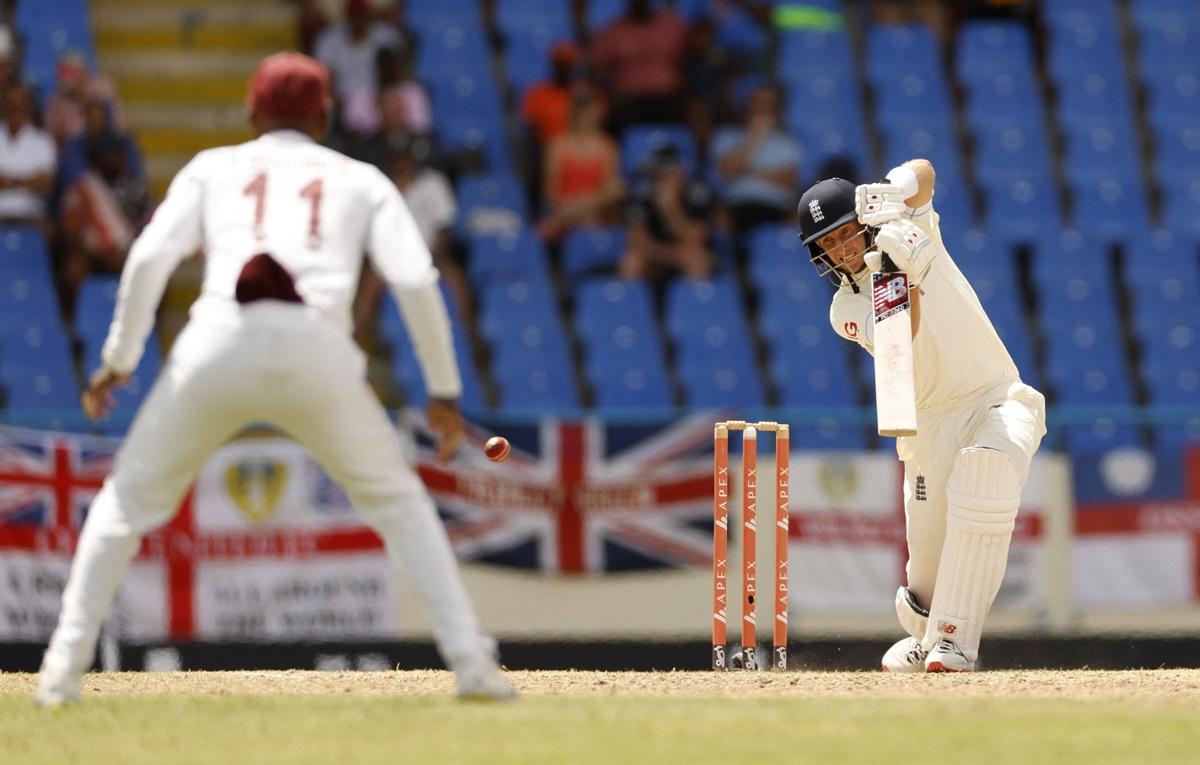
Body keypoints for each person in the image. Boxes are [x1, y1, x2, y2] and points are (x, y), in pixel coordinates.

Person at [35, 52, 514, 706]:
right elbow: (415, 279)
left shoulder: (213, 167)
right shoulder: (361, 177)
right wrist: (443, 390)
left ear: (251, 112)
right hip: (317, 345)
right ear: (324, 115)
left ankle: (61, 674)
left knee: (123, 506)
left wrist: (119, 357)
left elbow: (149, 256)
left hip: (219, 340)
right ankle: (473, 663)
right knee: (400, 505)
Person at [797, 159, 1046, 672]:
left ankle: (955, 641)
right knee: (922, 594)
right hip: (929, 425)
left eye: (846, 233)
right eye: (828, 244)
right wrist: (901, 273)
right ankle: (932, 631)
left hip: (994, 395)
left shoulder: (911, 225)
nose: (840, 249)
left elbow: (925, 172)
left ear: (865, 219)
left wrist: (892, 191)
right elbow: (897, 337)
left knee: (987, 469)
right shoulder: (844, 308)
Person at [354, 132, 464, 340]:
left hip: (430, 257)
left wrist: (434, 257)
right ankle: (358, 341)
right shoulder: (379, 184)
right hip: (388, 260)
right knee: (369, 284)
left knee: (456, 282)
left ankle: (468, 342)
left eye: (405, 156)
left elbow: (445, 227)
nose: (401, 161)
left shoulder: (433, 182)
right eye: (397, 156)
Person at [712, 85, 800, 234]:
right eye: (757, 102)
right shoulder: (725, 136)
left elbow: (788, 182)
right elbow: (726, 173)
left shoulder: (788, 142)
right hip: (736, 206)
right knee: (720, 222)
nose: (762, 108)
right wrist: (754, 138)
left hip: (777, 207)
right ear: (747, 105)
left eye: (767, 103)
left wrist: (749, 171)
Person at [536, 93, 624, 243]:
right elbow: (550, 194)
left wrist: (579, 207)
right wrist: (571, 212)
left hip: (593, 214)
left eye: (589, 109)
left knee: (615, 191)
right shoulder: (557, 146)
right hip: (563, 214)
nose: (585, 115)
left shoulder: (609, 148)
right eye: (581, 109)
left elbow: (610, 191)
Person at [619, 144, 714, 281]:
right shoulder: (641, 195)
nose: (662, 181)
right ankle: (630, 302)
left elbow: (696, 238)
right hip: (655, 253)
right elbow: (637, 240)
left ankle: (695, 302)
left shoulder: (698, 194)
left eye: (668, 175)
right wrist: (670, 255)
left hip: (687, 252)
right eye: (660, 176)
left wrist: (670, 210)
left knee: (698, 262)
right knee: (631, 261)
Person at [590, 0, 688, 129]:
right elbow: (595, 67)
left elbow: (691, 59)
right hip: (629, 102)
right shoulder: (614, 31)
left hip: (668, 100)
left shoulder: (672, 26)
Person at [314, 0, 401, 135]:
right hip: (345, 101)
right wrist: (336, 100)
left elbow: (396, 73)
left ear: (370, 16)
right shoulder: (329, 39)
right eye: (356, 15)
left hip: (379, 96)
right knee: (355, 108)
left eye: (363, 15)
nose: (359, 19)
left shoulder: (386, 37)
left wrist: (383, 97)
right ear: (348, 16)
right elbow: (324, 77)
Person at [0, 83, 56, 226]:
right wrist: (29, 180)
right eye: (11, 104)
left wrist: (8, 181)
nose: (15, 109)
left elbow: (46, 183)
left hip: (30, 217)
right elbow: (37, 181)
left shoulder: (43, 141)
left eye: (20, 104)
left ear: (28, 107)